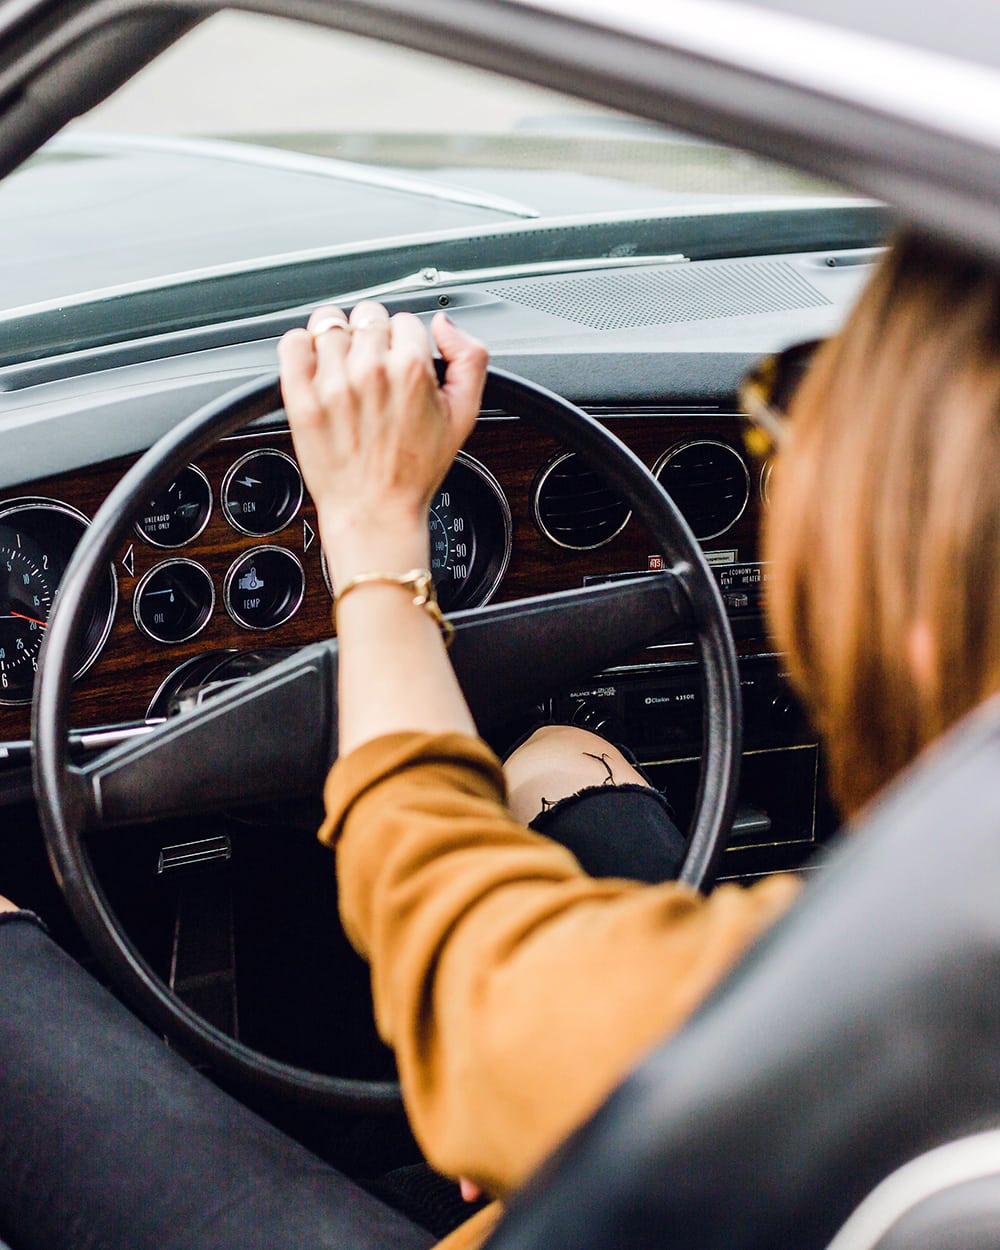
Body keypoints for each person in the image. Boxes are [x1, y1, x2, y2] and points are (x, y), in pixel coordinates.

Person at [0, 228, 993, 1250]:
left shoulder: (914, 977)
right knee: (558, 754)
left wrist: (379, 543)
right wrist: (536, 1074)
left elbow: (471, 986)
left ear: (924, 616)